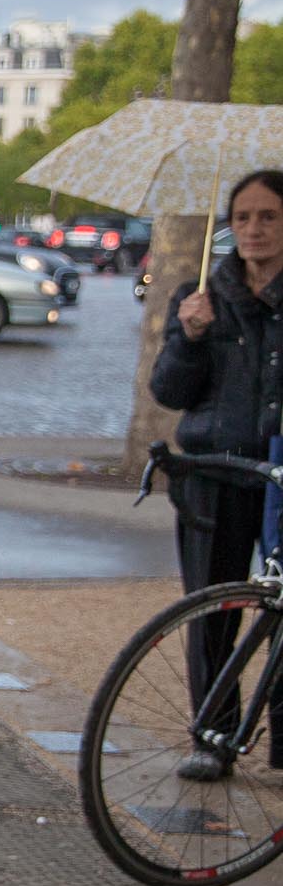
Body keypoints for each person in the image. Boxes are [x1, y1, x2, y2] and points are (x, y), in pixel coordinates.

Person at [149, 169, 283, 781]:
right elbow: (172, 392)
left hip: (280, 475)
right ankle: (213, 733)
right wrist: (189, 335)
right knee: (211, 612)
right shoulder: (200, 293)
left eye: (268, 217)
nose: (252, 229)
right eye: (243, 217)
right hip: (216, 470)